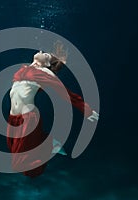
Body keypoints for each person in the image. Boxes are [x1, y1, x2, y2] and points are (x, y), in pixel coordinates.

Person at [6, 45, 99, 178]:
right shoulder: (27, 68)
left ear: (48, 63)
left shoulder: (45, 73)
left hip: (28, 119)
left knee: (22, 167)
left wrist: (87, 110)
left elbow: (66, 93)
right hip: (13, 118)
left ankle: (51, 145)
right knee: (12, 152)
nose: (41, 51)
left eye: (46, 54)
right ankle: (43, 141)